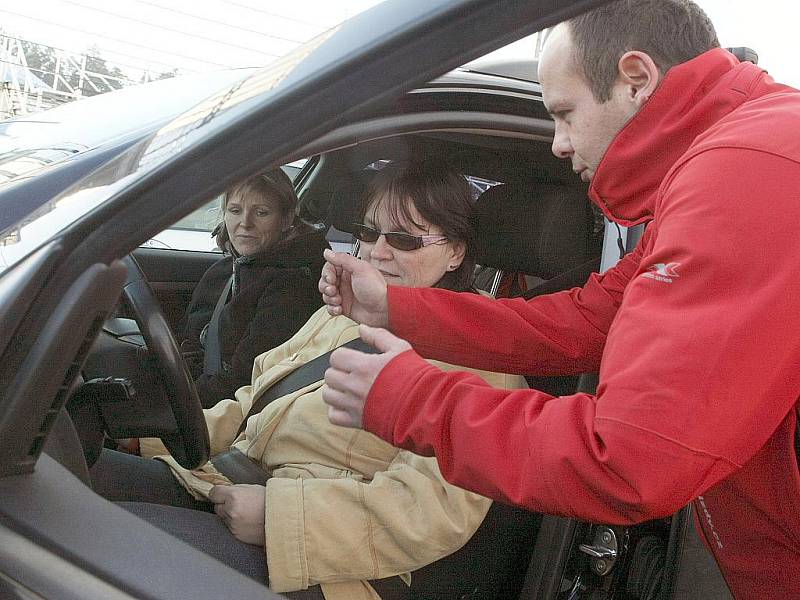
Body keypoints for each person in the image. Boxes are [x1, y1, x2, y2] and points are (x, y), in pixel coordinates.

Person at [318, 2, 800, 598]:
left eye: (564, 114)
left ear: (635, 78)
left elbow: (627, 460)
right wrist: (393, 307)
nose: (558, 144)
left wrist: (406, 398)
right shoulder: (733, 160)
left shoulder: (748, 173)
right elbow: (587, 322)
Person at [91, 162, 527, 600]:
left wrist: (278, 519)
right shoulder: (343, 312)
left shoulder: (481, 361)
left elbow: (430, 511)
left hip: (328, 562)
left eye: (404, 239)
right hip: (233, 480)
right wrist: (152, 437)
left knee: (100, 549)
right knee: (79, 472)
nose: (377, 252)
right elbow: (252, 402)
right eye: (369, 233)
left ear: (455, 252)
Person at [180, 168, 329, 408]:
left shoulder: (293, 284)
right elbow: (189, 343)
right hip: (198, 389)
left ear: (287, 219)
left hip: (226, 410)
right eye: (235, 211)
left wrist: (170, 408)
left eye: (261, 213)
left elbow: (244, 381)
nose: (245, 223)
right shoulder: (223, 271)